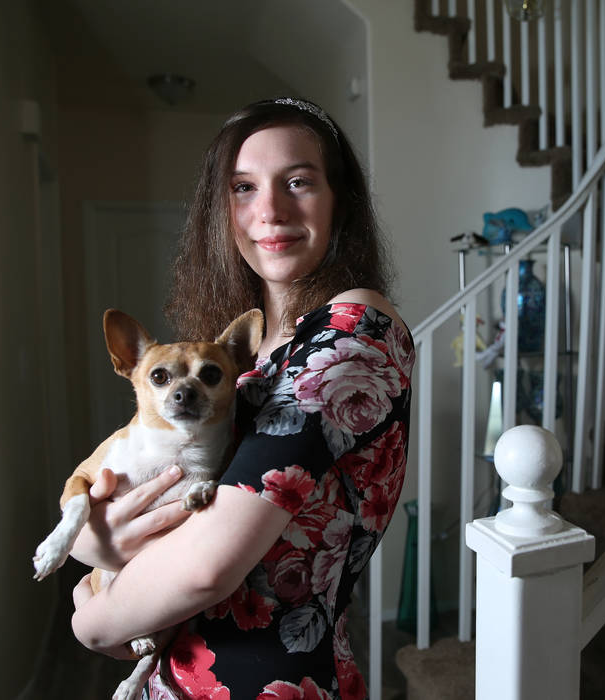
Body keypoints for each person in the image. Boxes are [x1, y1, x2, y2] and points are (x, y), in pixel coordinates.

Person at [70, 97, 413, 699]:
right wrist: (93, 539)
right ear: (220, 211)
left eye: (299, 182)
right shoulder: (250, 352)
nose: (271, 210)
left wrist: (95, 621)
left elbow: (207, 565)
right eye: (244, 187)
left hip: (271, 683)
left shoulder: (353, 331)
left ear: (341, 201)